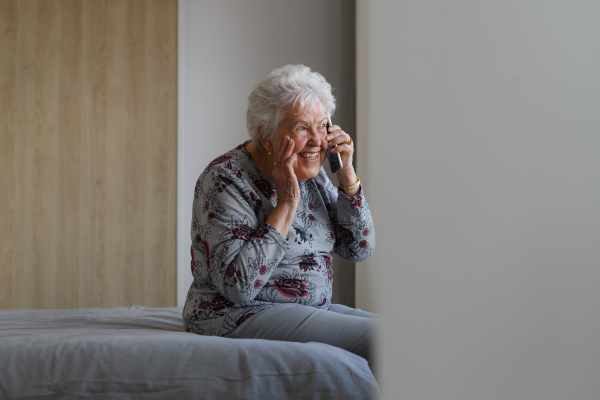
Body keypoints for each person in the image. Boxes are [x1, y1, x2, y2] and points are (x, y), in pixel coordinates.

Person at [183, 64, 377, 371]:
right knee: (384, 341)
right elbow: (238, 287)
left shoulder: (311, 173)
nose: (317, 140)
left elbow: (358, 249)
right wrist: (286, 202)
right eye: (302, 128)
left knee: (403, 335)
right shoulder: (224, 179)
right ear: (267, 135)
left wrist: (347, 176)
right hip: (238, 314)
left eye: (323, 125)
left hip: (304, 309)